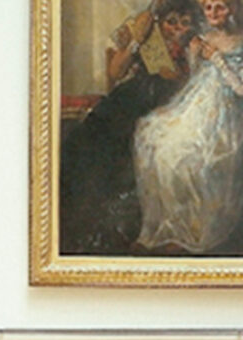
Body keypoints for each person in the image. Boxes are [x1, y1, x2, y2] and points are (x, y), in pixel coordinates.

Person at [60, 0, 198, 254]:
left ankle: (112, 229)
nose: (177, 28)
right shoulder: (147, 32)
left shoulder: (197, 42)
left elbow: (194, 86)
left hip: (167, 103)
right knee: (84, 139)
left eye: (184, 22)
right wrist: (137, 41)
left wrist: (175, 69)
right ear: (161, 21)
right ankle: (79, 226)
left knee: (123, 149)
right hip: (131, 97)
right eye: (171, 22)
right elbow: (116, 71)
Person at [133, 0, 243, 253]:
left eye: (220, 7)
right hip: (198, 106)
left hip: (231, 113)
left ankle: (197, 230)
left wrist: (217, 59)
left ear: (233, 8)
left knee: (191, 158)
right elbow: (196, 79)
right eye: (208, 7)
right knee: (155, 141)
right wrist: (194, 56)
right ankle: (173, 227)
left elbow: (242, 89)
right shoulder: (205, 37)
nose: (213, 13)